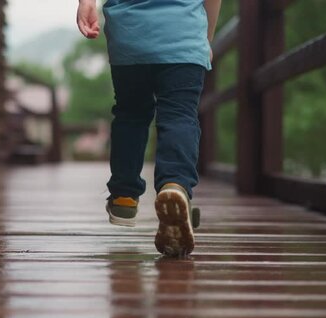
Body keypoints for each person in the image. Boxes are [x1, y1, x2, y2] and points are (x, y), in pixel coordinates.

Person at [77, 0, 222, 257]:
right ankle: (174, 186)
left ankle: (124, 195)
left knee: (130, 114)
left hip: (130, 35)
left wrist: (86, 2)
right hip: (184, 34)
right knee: (179, 115)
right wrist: (206, 37)